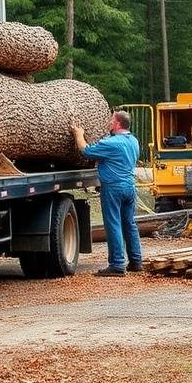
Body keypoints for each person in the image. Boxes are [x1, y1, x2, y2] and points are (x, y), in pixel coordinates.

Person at [70, 110, 142, 277]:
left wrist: (78, 134)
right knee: (129, 223)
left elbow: (86, 151)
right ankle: (136, 261)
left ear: (117, 124)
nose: (109, 123)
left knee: (113, 224)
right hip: (130, 187)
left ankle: (117, 265)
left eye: (111, 121)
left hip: (113, 188)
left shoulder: (112, 143)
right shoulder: (133, 141)